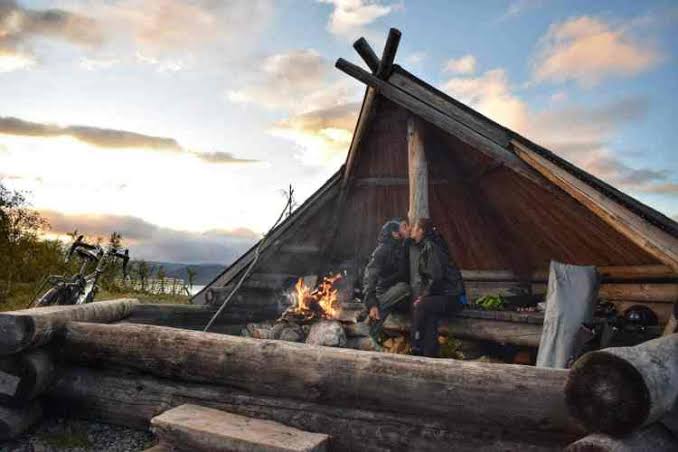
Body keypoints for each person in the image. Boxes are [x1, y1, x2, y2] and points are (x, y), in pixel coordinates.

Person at [409, 218, 466, 357]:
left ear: (421, 231)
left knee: (421, 306)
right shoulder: (432, 244)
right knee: (430, 313)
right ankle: (429, 353)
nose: (412, 232)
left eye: (414, 229)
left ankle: (415, 345)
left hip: (453, 297)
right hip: (449, 296)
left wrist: (423, 297)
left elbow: (436, 277)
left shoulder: (431, 246)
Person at [362, 219, 411, 349]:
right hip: (385, 292)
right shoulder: (382, 250)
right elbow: (370, 276)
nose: (406, 229)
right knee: (403, 289)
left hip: (399, 297)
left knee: (399, 292)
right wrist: (372, 303)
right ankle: (369, 338)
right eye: (402, 228)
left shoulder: (403, 247)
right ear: (394, 233)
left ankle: (369, 336)